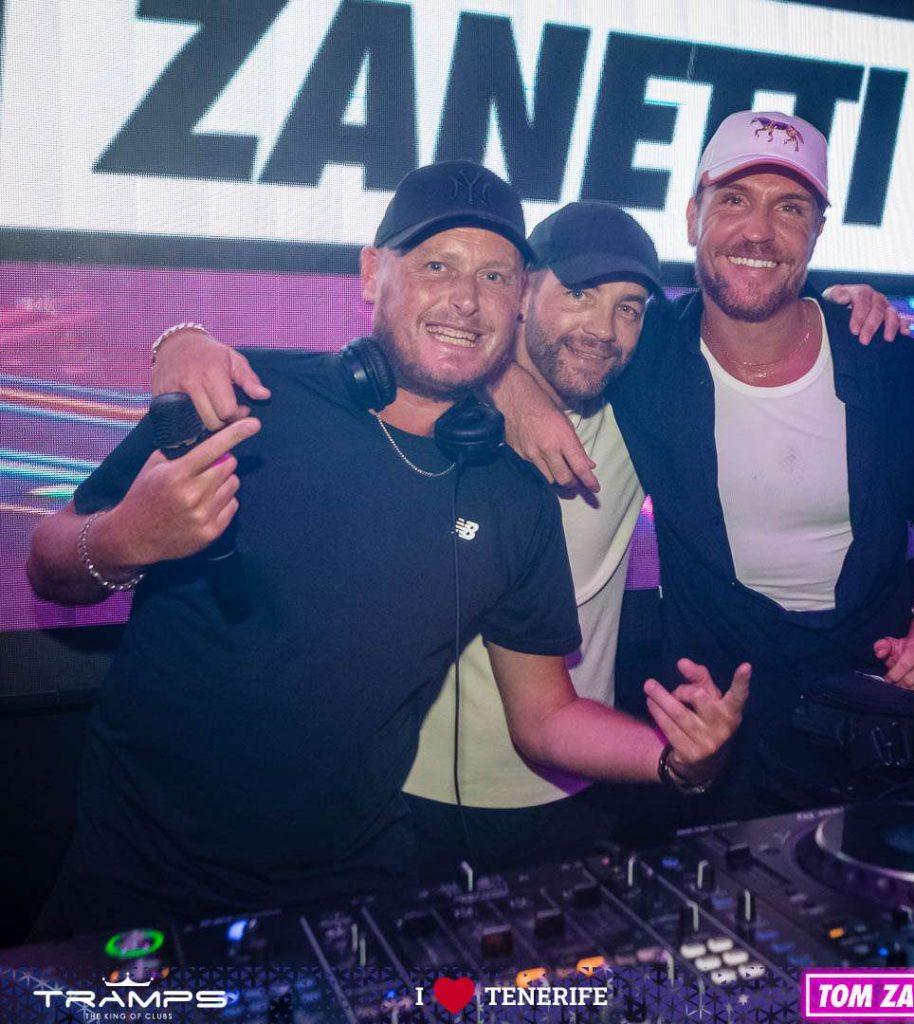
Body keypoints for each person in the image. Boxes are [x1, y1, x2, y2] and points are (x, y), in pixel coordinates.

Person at [27, 161, 752, 938]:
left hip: (348, 886)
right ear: (373, 273)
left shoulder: (514, 497)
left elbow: (546, 717)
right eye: (437, 266)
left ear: (517, 302)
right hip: (135, 875)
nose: (466, 299)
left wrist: (676, 759)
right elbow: (49, 563)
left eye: (494, 276)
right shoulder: (248, 400)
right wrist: (125, 538)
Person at [150, 192, 904, 875]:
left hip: (579, 779)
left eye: (629, 308)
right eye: (578, 294)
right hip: (405, 792)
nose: (602, 329)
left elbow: (747, 330)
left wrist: (837, 307)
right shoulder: (437, 403)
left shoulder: (640, 418)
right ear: (521, 295)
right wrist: (179, 339)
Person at [498, 112, 914, 819]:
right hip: (710, 727)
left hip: (873, 720)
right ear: (692, 217)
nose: (758, 231)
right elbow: (520, 337)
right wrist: (509, 389)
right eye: (733, 199)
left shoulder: (886, 361)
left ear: (817, 231)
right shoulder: (644, 352)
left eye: (790, 208)